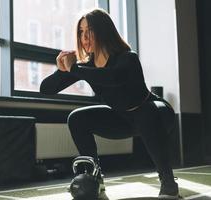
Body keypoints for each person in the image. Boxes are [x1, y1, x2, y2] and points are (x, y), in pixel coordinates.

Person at [40, 8, 179, 199]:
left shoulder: (128, 57)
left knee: (146, 113)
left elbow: (113, 77)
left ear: (104, 31)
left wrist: (74, 68)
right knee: (77, 118)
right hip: (122, 119)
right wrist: (63, 70)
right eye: (81, 32)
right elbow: (45, 89)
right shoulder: (86, 67)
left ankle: (169, 184)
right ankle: (95, 180)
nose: (85, 37)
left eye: (90, 30)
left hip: (157, 115)